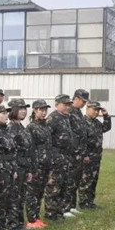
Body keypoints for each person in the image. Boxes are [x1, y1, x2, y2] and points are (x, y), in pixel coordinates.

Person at [44, 94, 77, 222]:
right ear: (57, 104)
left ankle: (59, 211)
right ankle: (51, 213)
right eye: (65, 104)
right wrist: (52, 157)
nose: (68, 107)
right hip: (56, 157)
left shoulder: (66, 117)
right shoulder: (53, 118)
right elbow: (47, 139)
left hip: (66, 157)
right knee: (54, 186)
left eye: (69, 105)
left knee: (63, 185)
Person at [7, 99, 34, 230]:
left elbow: (28, 149)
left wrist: (29, 169)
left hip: (24, 166)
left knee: (21, 196)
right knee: (14, 197)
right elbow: (11, 150)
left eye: (25, 109)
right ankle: (11, 225)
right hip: (16, 166)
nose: (23, 111)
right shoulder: (11, 128)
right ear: (13, 110)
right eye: (20, 109)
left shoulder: (22, 127)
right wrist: (14, 168)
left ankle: (19, 223)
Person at [25, 99, 52, 229]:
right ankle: (31, 219)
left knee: (40, 192)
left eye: (45, 110)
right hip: (37, 164)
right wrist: (32, 166)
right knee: (32, 193)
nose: (44, 112)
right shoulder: (31, 127)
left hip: (46, 163)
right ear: (35, 110)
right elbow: (30, 148)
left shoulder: (46, 126)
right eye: (41, 110)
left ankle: (36, 217)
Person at [79, 101, 111, 209]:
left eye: (98, 110)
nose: (96, 112)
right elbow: (81, 141)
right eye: (94, 110)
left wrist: (106, 115)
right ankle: (84, 203)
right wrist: (84, 155)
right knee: (85, 180)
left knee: (93, 180)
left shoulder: (96, 122)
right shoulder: (82, 122)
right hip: (87, 157)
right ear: (87, 109)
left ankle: (90, 202)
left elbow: (106, 127)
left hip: (96, 156)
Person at [67, 89, 90, 215]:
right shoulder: (69, 111)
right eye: (82, 101)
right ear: (76, 98)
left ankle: (71, 205)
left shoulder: (78, 112)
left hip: (79, 153)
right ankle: (65, 207)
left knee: (76, 180)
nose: (84, 104)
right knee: (69, 180)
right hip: (72, 153)